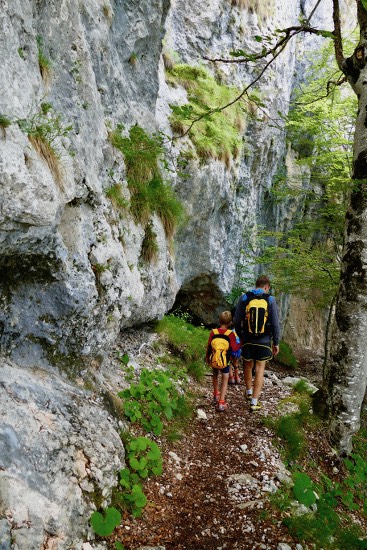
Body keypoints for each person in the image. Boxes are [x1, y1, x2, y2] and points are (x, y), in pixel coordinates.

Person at [234, 275, 280, 412]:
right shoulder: (270, 299)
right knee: (260, 370)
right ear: (267, 287)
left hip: (247, 339)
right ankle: (254, 402)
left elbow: (236, 320)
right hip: (264, 340)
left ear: (256, 285)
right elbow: (276, 324)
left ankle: (248, 392)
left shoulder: (245, 298)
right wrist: (276, 342)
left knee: (247, 365)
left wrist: (241, 335)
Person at [206, 311, 241, 412]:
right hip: (225, 361)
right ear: (230, 323)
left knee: (215, 374)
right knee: (225, 378)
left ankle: (215, 394)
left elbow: (209, 347)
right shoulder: (230, 334)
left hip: (214, 359)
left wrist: (208, 359)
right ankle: (221, 402)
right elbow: (234, 349)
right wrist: (242, 342)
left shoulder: (213, 332)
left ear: (218, 320)